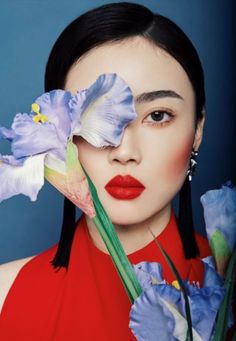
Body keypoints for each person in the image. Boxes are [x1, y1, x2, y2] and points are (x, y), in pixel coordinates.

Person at [0, 2, 213, 340]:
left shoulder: (225, 280)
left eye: (158, 116)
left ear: (197, 129)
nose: (125, 153)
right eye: (89, 119)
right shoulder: (5, 296)